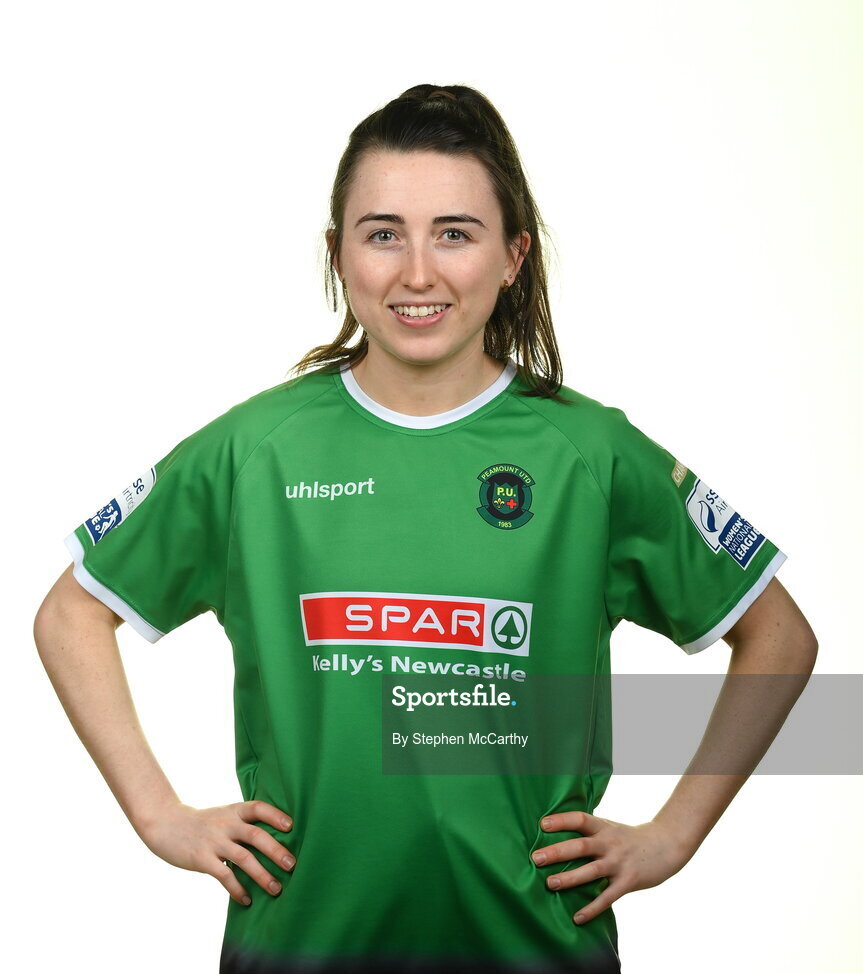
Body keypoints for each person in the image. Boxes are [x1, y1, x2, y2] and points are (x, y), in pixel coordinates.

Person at [34, 83, 818, 974]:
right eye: (382, 234)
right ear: (337, 255)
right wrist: (159, 816)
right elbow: (69, 614)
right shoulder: (253, 452)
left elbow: (780, 637)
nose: (416, 273)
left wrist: (672, 835)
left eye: (454, 233)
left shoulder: (590, 455)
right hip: (299, 950)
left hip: (533, 951)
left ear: (513, 255)